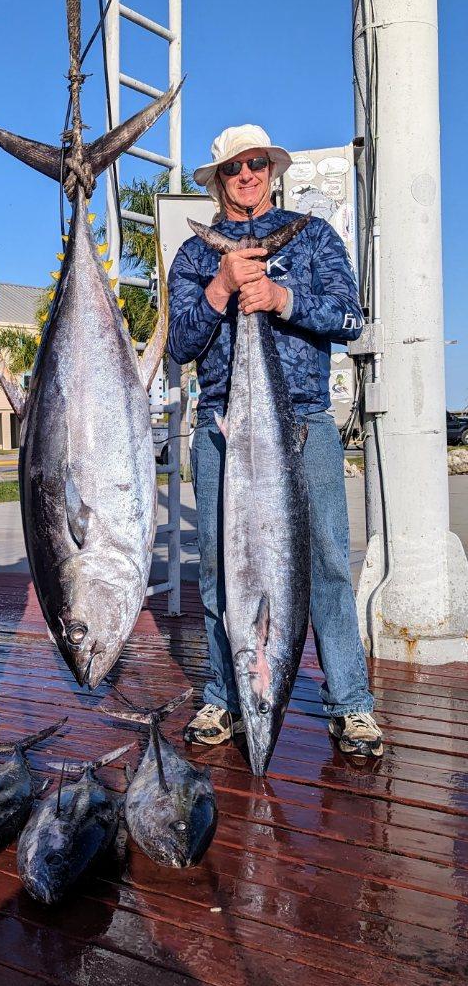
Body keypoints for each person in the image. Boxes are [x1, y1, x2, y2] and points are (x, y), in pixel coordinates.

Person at [168, 124, 383, 760]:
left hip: (305, 422)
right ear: (217, 180)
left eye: (257, 163)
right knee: (219, 568)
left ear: (271, 169)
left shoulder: (313, 236)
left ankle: (351, 704)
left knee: (328, 565)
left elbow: (351, 318)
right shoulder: (194, 256)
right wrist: (224, 286)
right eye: (234, 167)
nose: (247, 175)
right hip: (221, 425)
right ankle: (223, 694)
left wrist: (281, 296)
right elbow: (180, 344)